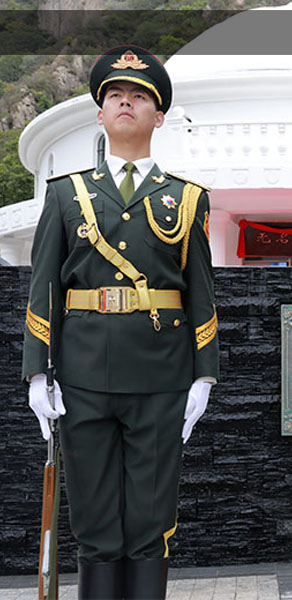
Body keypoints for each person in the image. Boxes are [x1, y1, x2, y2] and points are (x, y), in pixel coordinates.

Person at [23, 46, 219, 599]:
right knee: (94, 521)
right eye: (114, 95)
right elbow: (43, 288)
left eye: (138, 96)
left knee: (150, 520)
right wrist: (38, 375)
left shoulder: (186, 199)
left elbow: (201, 291)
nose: (124, 102)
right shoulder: (67, 194)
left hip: (161, 378)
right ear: (101, 113)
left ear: (159, 117)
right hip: (84, 376)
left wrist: (204, 376)